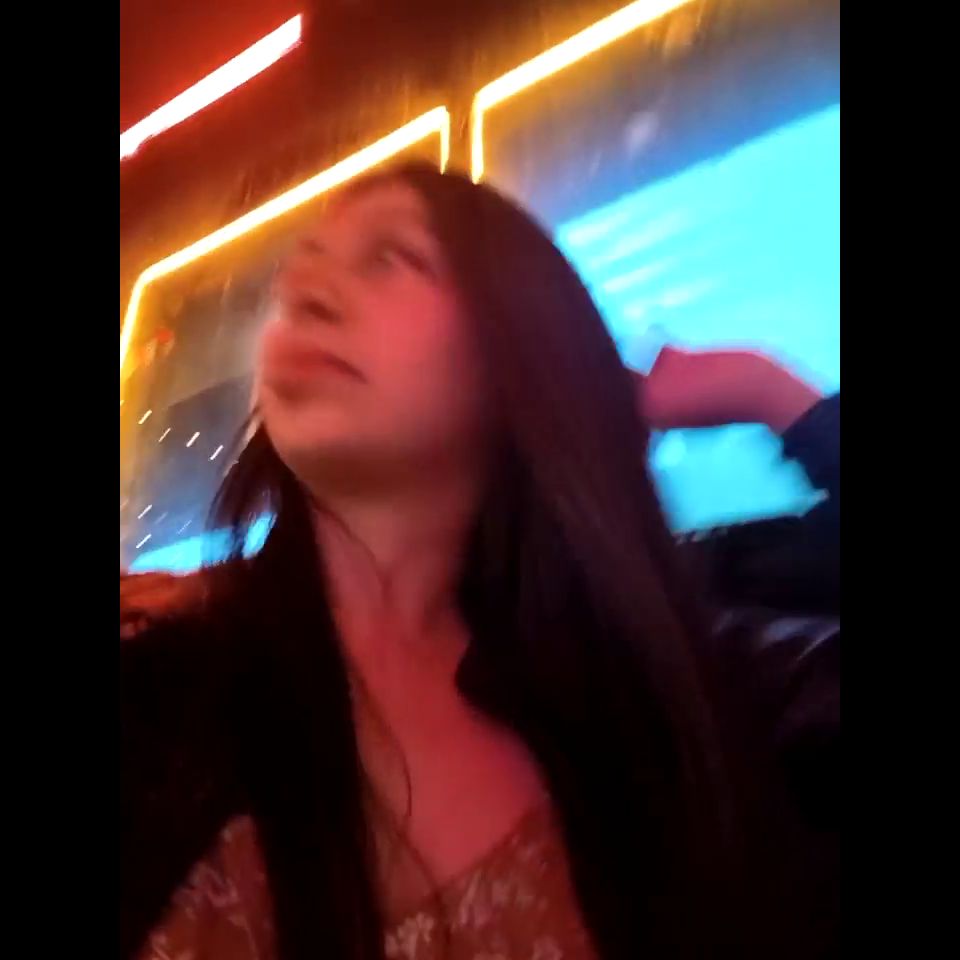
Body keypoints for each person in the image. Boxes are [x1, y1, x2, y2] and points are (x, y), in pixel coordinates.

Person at [121, 163, 838, 960]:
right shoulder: (157, 690)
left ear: (522, 344)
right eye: (299, 269)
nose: (303, 294)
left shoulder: (671, 690)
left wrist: (767, 390)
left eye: (392, 256)